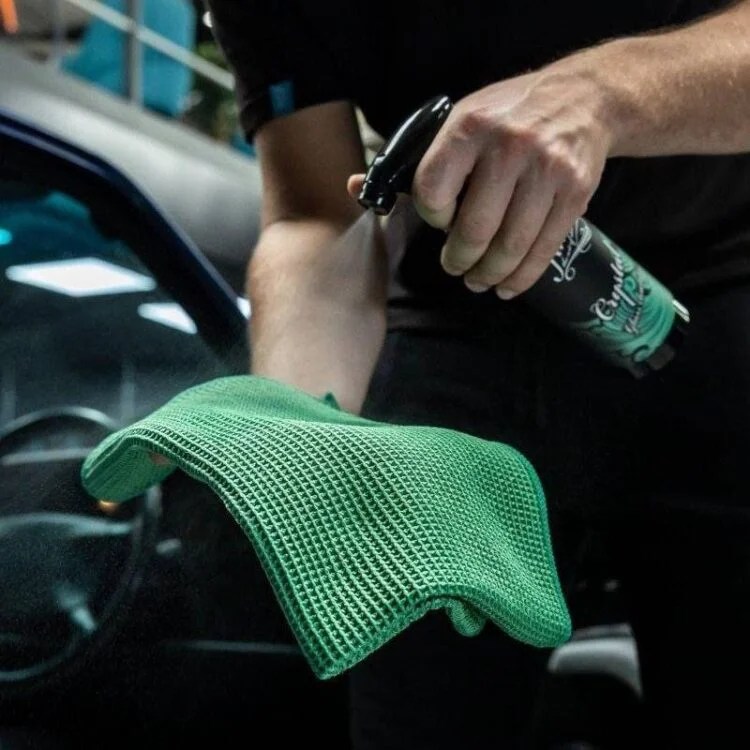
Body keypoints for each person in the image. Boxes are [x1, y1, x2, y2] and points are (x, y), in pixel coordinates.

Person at [203, 1, 750, 746]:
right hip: (456, 344)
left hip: (720, 296)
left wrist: (603, 95)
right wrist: (301, 429)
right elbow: (317, 215)